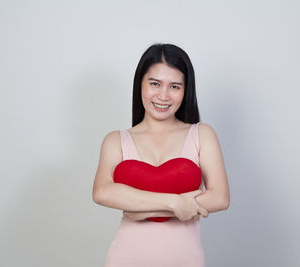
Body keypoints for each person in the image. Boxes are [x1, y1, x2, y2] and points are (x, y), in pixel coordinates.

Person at [92, 43, 230, 267]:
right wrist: (174, 202)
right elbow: (102, 192)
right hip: (125, 259)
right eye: (155, 84)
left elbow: (220, 197)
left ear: (186, 90)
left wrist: (140, 209)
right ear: (140, 84)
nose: (163, 96)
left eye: (175, 87)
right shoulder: (116, 140)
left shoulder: (201, 134)